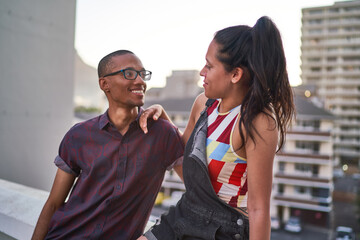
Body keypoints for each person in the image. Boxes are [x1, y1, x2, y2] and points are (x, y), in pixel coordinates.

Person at [139, 16, 295, 240]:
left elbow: (259, 209)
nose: (202, 72)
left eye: (209, 66)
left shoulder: (257, 122)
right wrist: (163, 119)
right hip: (187, 213)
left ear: (235, 74)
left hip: (225, 229)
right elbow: (185, 164)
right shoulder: (203, 103)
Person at [31, 50, 184, 240]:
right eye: (129, 73)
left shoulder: (162, 134)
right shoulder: (78, 135)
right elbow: (54, 203)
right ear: (105, 84)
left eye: (142, 74)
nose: (140, 81)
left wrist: (158, 234)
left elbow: (197, 188)